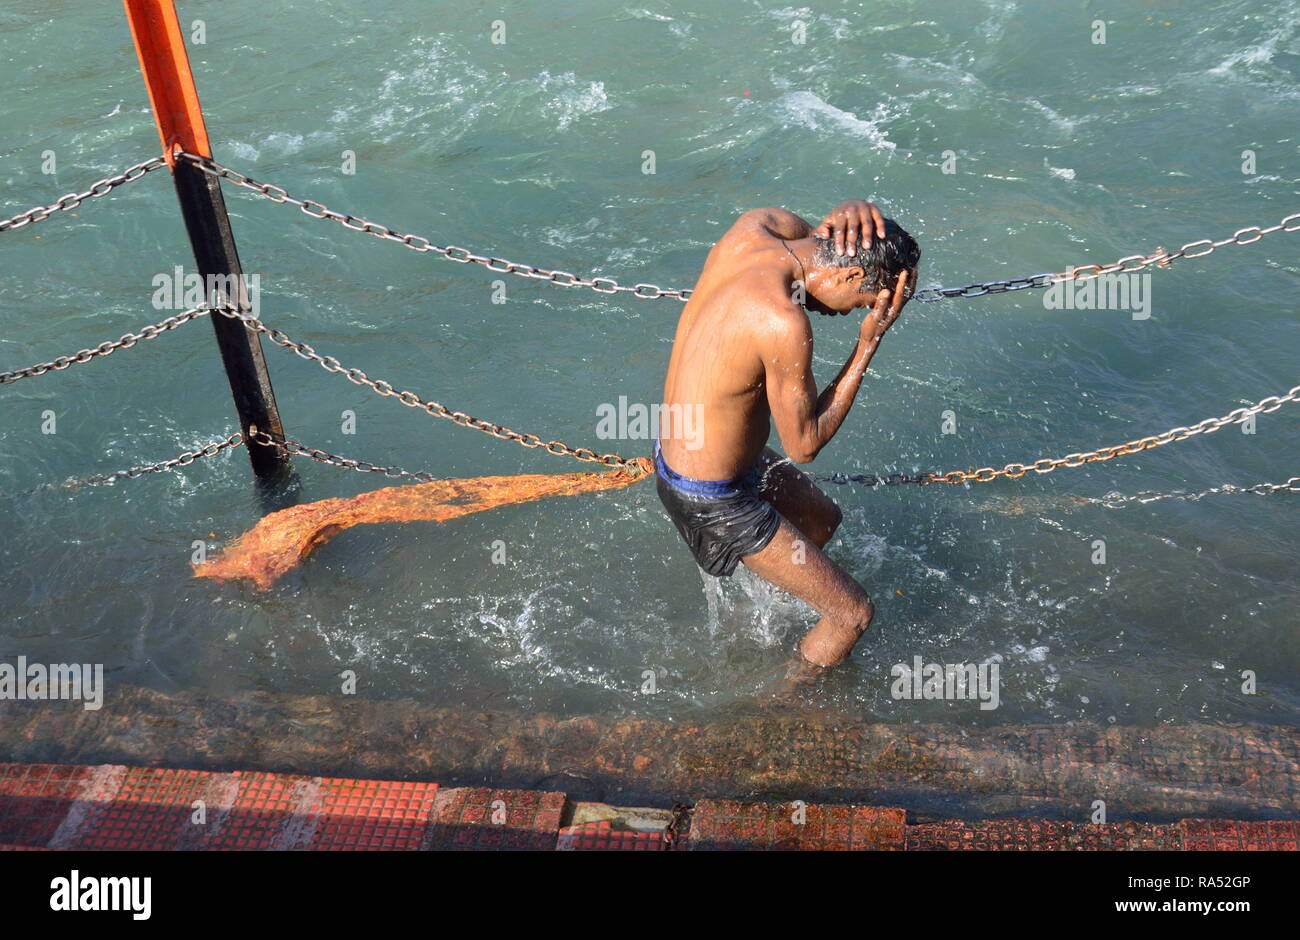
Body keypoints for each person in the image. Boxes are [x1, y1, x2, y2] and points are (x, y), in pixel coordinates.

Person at [656, 198, 919, 671]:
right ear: (850, 278)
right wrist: (868, 342)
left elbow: (817, 235)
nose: (847, 315)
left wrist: (849, 210)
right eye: (860, 304)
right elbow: (804, 445)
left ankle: (772, 601)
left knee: (821, 521)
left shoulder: (755, 227)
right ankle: (786, 711)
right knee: (853, 614)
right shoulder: (782, 320)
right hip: (710, 495)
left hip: (696, 449)